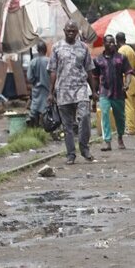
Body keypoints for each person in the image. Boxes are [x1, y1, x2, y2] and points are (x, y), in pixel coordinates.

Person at [49, 20, 97, 164]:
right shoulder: (56, 47)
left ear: (77, 32)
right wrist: (50, 93)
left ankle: (84, 148)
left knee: (85, 117)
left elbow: (89, 69)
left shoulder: (83, 47)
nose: (71, 33)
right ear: (64, 31)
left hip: (80, 88)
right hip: (63, 90)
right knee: (67, 125)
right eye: (68, 30)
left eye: (73, 31)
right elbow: (52, 70)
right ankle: (71, 154)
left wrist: (94, 91)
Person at [91, 34, 133, 152]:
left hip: (118, 92)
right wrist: (94, 93)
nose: (112, 44)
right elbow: (95, 77)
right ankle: (107, 141)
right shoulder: (98, 60)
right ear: (104, 44)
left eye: (113, 42)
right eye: (109, 42)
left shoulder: (121, 58)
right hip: (104, 92)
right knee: (104, 115)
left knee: (120, 117)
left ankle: (120, 137)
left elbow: (129, 72)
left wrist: (127, 83)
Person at [115, 32, 135, 135]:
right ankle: (133, 127)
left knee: (128, 106)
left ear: (117, 41)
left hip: (126, 80)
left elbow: (118, 68)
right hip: (133, 79)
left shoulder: (121, 51)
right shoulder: (130, 49)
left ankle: (130, 129)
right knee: (133, 105)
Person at [27, 41, 51, 127]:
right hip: (48, 90)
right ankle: (47, 127)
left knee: (35, 109)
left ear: (37, 50)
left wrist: (35, 81)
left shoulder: (33, 62)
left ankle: (35, 128)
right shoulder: (50, 61)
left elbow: (29, 78)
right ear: (46, 50)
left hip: (36, 90)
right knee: (47, 109)